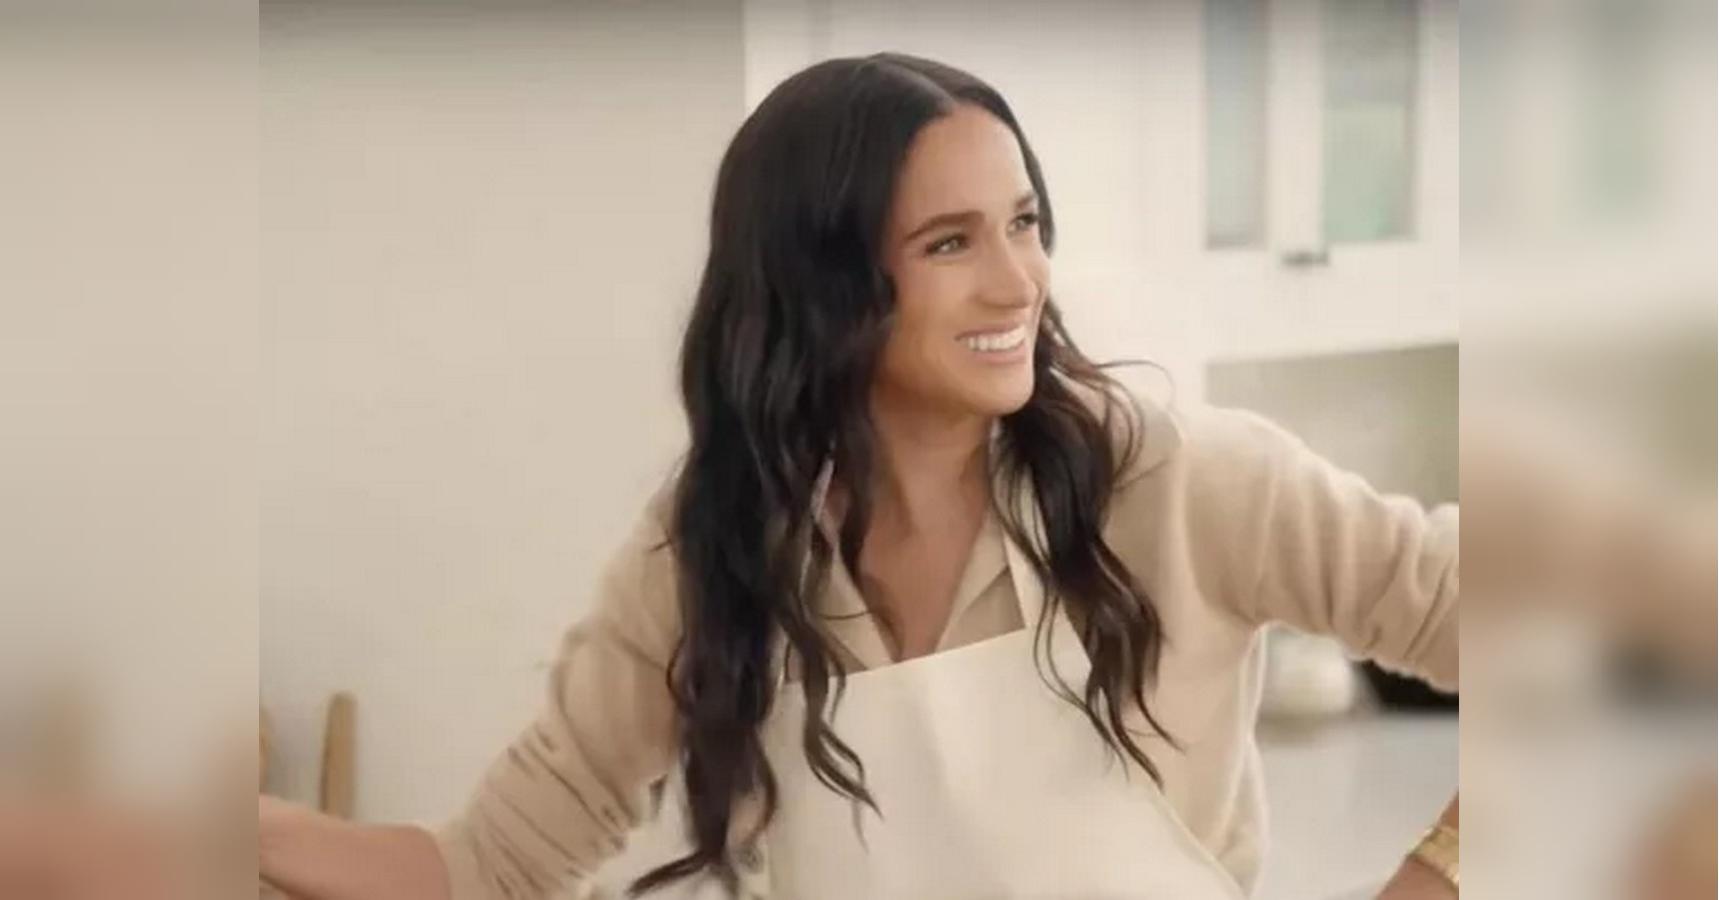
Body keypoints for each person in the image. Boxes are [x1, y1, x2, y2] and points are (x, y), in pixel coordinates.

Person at [257, 52, 1460, 899]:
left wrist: (1430, 883)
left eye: (1024, 223)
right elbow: (489, 868)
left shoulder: (1179, 482)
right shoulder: (721, 540)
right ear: (819, 288)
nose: (1018, 282)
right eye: (951, 242)